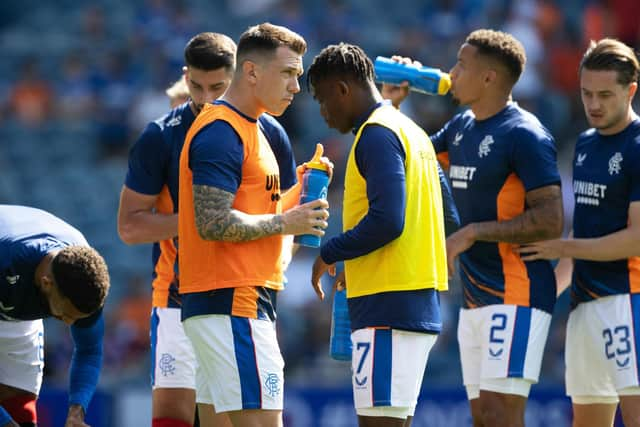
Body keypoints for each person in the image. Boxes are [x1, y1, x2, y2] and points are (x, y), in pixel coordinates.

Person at [118, 31, 300, 427]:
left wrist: (278, 251)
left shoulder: (270, 132)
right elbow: (130, 227)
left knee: (221, 415)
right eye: (195, 86)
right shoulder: (165, 135)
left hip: (244, 290)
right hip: (182, 288)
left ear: (237, 75)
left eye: (215, 86)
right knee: (176, 415)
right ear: (185, 77)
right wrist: (200, 222)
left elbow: (282, 212)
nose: (203, 97)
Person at [383, 29, 564, 427]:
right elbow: (410, 161)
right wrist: (393, 108)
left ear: (489, 78)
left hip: (518, 290)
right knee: (483, 416)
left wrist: (471, 232)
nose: (451, 72)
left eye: (461, 65)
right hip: (476, 294)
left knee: (501, 413)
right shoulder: (462, 124)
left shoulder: (525, 134)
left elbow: (552, 220)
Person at [177, 23, 329, 427]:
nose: (297, 86)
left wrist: (305, 195)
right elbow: (212, 222)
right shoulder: (221, 131)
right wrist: (286, 220)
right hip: (232, 301)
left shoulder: (259, 129)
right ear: (251, 72)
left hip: (231, 302)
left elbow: (268, 213)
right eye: (288, 73)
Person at [307, 42, 450, 427]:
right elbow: (447, 214)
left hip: (388, 303)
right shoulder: (413, 131)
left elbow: (388, 220)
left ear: (342, 89)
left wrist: (331, 251)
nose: (323, 112)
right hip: (412, 300)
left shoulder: (376, 134)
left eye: (323, 100)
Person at [516, 38, 640, 427]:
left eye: (605, 94)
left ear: (631, 90)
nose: (594, 104)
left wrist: (562, 245)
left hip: (629, 303)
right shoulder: (584, 144)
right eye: (587, 93)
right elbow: (582, 229)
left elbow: (637, 239)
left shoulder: (638, 147)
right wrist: (545, 295)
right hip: (584, 307)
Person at [0, 205, 110, 427]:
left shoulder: (86, 278)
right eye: (65, 315)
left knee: (22, 418)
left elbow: (89, 350)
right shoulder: (6, 259)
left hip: (14, 305)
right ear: (46, 283)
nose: (70, 323)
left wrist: (76, 413)